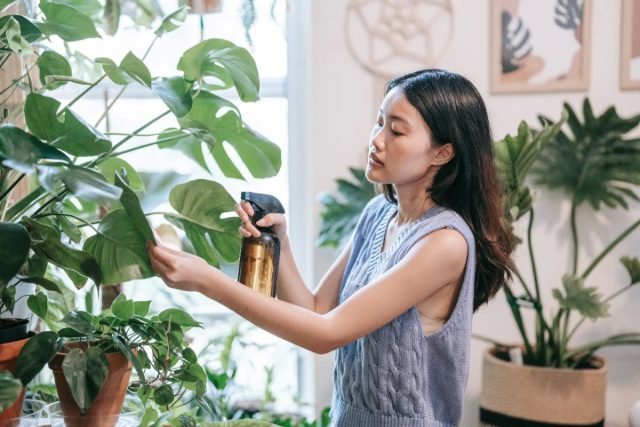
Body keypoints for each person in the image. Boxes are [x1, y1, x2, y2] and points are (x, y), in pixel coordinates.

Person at [147, 68, 515, 427]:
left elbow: (327, 334)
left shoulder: (444, 243)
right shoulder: (377, 214)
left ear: (442, 153)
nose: (378, 139)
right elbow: (316, 309)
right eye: (379, 122)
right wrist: (281, 244)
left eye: (397, 130)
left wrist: (206, 281)